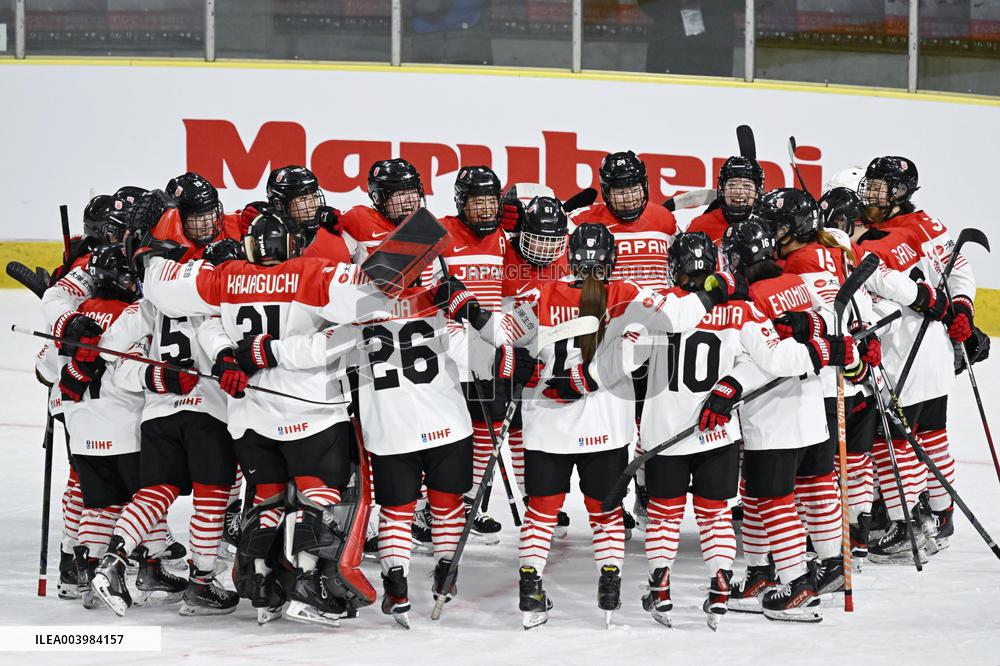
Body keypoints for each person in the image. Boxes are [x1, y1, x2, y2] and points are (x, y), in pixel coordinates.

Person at [718, 216, 858, 622]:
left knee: (769, 499)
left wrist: (730, 384)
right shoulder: (795, 282)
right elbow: (833, 321)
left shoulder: (746, 301)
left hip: (771, 419)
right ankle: (825, 566)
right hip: (813, 409)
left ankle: (797, 584)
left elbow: (768, 358)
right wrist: (819, 338)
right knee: (814, 486)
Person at [57, 245, 185, 613]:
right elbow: (136, 370)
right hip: (124, 429)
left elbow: (46, 369)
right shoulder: (134, 315)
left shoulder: (73, 318)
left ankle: (87, 579)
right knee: (147, 498)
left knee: (98, 506)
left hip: (82, 433)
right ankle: (150, 570)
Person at [438, 166, 509, 541]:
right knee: (443, 436)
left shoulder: (503, 237)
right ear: (460, 203)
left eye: (490, 201)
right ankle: (429, 509)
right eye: (476, 202)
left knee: (488, 432)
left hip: (488, 351)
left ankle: (471, 503)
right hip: (448, 354)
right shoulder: (439, 231)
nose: (485, 209)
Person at [688, 156, 765, 245]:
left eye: (747, 186)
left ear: (757, 192)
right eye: (732, 185)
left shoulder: (767, 227)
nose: (738, 192)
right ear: (722, 190)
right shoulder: (699, 226)